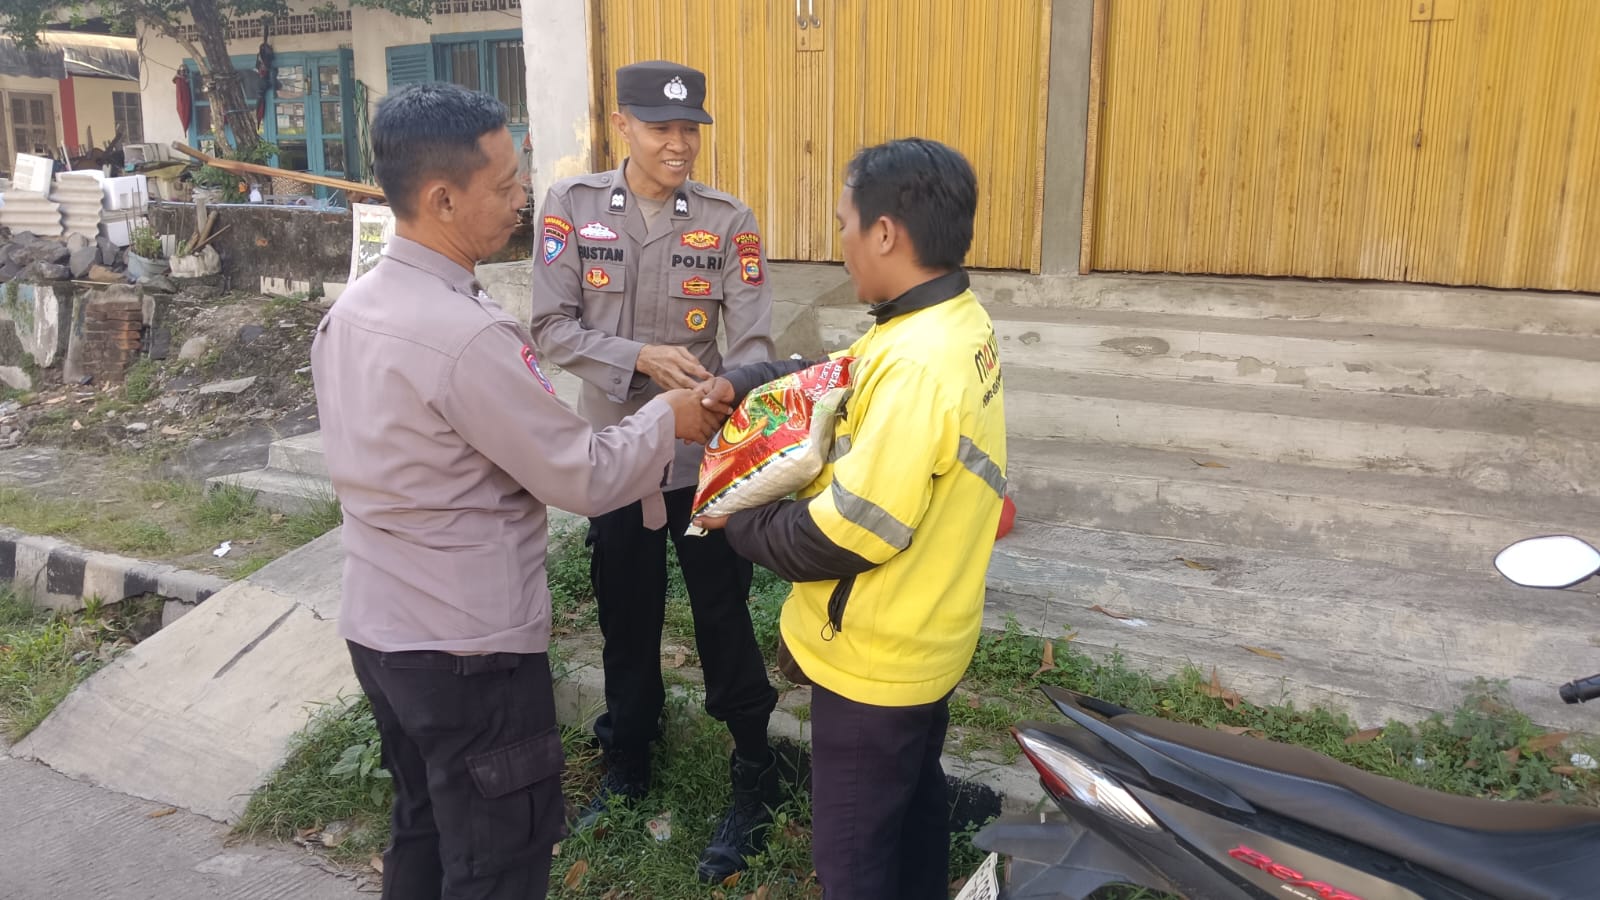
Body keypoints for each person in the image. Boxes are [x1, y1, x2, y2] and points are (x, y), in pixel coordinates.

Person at [310, 82, 727, 900]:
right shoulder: (466, 337)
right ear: (441, 198)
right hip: (469, 654)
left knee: (424, 830)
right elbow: (583, 474)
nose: (520, 200)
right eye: (504, 185)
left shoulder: (353, 310)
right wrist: (668, 419)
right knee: (498, 858)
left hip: (381, 631)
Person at [694, 138, 1007, 899]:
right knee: (913, 814)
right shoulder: (945, 320)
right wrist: (747, 382)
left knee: (854, 861)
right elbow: (836, 377)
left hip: (877, 663)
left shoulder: (917, 365)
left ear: (885, 233)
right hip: (926, 636)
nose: (840, 242)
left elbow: (849, 530)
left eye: (844, 224)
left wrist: (737, 517)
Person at [528, 60, 782, 881]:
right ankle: (629, 757)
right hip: (614, 456)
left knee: (723, 614)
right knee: (625, 613)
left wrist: (721, 391)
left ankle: (754, 766)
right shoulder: (571, 208)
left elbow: (753, 343)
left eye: (689, 129)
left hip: (702, 458)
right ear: (622, 126)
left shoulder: (728, 220)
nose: (679, 144)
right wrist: (637, 356)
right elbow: (550, 327)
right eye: (660, 128)